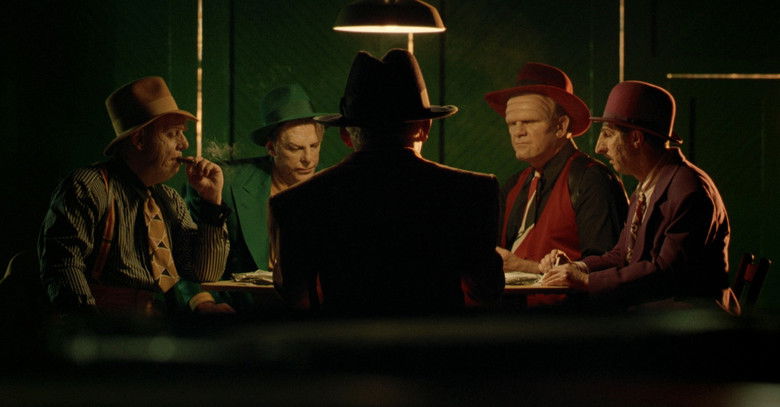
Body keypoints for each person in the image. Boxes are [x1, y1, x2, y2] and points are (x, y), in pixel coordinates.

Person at [270, 49, 505, 315]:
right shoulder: (473, 192)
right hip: (436, 340)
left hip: (345, 340)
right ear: (425, 128)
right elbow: (486, 292)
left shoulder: (296, 202)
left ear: (346, 134)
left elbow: (295, 297)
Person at [38, 76, 230, 317]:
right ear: (139, 140)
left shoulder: (169, 199)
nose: (184, 143)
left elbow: (204, 273)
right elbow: (63, 266)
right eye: (173, 134)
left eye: (182, 133)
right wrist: (92, 328)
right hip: (110, 325)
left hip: (162, 326)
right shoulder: (89, 187)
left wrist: (211, 201)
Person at [540, 81, 731, 309]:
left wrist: (587, 281)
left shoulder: (687, 190)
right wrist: (577, 267)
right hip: (653, 312)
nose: (599, 147)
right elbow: (621, 254)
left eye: (607, 134)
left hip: (688, 321)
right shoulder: (648, 185)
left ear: (636, 139)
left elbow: (666, 273)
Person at [180, 83, 328, 313]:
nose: (308, 158)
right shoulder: (225, 184)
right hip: (239, 316)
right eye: (295, 148)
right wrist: (204, 303)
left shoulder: (330, 190)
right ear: (271, 148)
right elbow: (184, 260)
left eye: (314, 146)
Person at [484, 63, 628, 275]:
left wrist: (526, 268)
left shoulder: (591, 179)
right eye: (511, 124)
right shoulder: (515, 184)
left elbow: (606, 269)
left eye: (529, 121)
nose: (518, 132)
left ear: (561, 126)